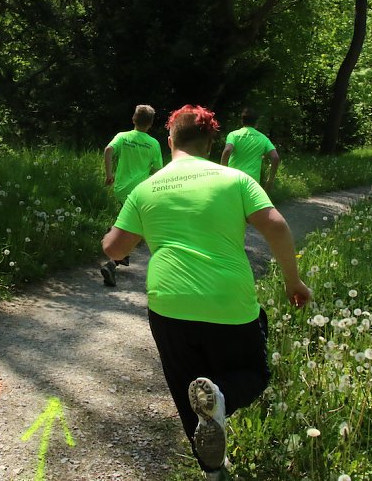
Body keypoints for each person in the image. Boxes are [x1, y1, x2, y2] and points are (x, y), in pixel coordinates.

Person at [101, 105, 311, 480]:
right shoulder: (235, 181)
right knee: (252, 374)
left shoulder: (146, 188)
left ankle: (212, 470)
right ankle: (222, 400)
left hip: (169, 306)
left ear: (169, 141)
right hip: (229, 303)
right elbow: (276, 226)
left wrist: (110, 238)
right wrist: (292, 281)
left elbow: (116, 250)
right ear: (211, 144)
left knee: (189, 392)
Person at [100, 104, 163, 287]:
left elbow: (108, 150)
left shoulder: (123, 136)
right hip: (140, 191)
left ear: (133, 119)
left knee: (130, 224)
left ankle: (119, 251)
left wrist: (109, 175)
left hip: (121, 189)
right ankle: (113, 260)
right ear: (150, 123)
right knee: (134, 228)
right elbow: (157, 170)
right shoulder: (153, 144)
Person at [220, 108, 280, 191]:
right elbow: (275, 157)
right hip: (252, 182)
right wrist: (270, 181)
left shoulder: (233, 135)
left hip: (233, 179)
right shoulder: (263, 138)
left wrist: (223, 174)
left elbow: (227, 150)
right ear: (256, 122)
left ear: (242, 120)